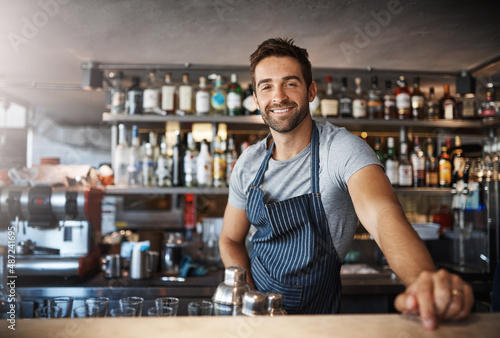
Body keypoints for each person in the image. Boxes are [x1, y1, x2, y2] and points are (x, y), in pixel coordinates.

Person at [219, 37, 474, 330]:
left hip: (319, 321)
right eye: (266, 86)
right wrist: (249, 295)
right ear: (255, 99)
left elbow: (382, 214)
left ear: (311, 90)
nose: (278, 96)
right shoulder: (248, 163)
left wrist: (422, 280)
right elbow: (230, 239)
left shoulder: (341, 149)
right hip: (255, 317)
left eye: (290, 83)